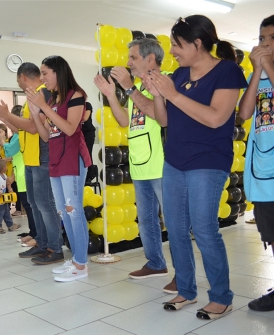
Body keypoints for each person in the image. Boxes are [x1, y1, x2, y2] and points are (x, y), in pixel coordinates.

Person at [145, 15, 247, 319]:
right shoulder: (178, 74)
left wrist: (173, 94)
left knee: (204, 230)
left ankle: (221, 297)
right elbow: (164, 119)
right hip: (174, 160)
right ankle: (187, 290)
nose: (173, 51)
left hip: (208, 161)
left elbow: (216, 117)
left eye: (177, 44)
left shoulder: (228, 71)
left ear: (197, 43)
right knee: (175, 229)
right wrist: (158, 93)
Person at [94, 38, 174, 292]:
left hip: (162, 164)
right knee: (146, 220)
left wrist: (129, 89)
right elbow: (125, 121)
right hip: (140, 164)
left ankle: (182, 273)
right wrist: (111, 95)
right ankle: (155, 263)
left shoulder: (166, 81)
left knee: (173, 221)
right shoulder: (137, 86)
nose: (128, 63)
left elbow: (158, 115)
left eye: (133, 57)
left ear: (151, 59)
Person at [0, 62, 64, 265]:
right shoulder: (30, 98)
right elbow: (22, 129)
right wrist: (4, 118)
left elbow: (33, 128)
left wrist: (6, 115)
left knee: (46, 205)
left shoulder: (44, 93)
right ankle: (41, 243)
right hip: (31, 159)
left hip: (43, 157)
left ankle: (55, 248)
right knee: (35, 205)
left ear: (23, 77)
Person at [27, 56, 91, 281]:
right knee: (64, 212)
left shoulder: (76, 95)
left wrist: (44, 107)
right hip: (56, 159)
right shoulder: (54, 100)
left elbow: (71, 129)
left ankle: (81, 265)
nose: (42, 78)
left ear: (58, 72)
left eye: (45, 73)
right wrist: (37, 114)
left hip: (73, 159)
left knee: (74, 212)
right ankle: (75, 259)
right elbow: (47, 135)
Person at [239, 14, 274, 312]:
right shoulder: (261, 74)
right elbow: (245, 112)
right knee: (272, 234)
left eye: (272, 38)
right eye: (262, 38)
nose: (265, 44)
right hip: (263, 170)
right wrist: (256, 72)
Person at [3, 105, 38, 247]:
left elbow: (9, 152)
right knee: (28, 206)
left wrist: (1, 139)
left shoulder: (19, 135)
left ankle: (35, 234)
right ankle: (33, 232)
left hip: (25, 173)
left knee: (30, 206)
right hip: (21, 173)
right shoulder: (17, 135)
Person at [0, 160, 22, 233]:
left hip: (3, 199)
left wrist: (10, 189)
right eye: (6, 166)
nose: (7, 167)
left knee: (6, 212)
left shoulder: (4, 175)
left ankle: (10, 225)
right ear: (3, 168)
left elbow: (8, 182)